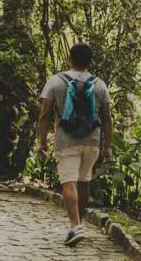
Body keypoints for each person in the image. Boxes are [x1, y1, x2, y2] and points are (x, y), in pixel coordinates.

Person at [36, 43, 113, 246]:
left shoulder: (56, 81)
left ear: (69, 58)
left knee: (69, 183)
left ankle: (75, 226)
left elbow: (44, 115)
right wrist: (107, 146)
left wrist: (42, 142)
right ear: (90, 62)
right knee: (83, 181)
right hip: (92, 141)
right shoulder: (99, 84)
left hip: (66, 140)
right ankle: (78, 224)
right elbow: (107, 118)